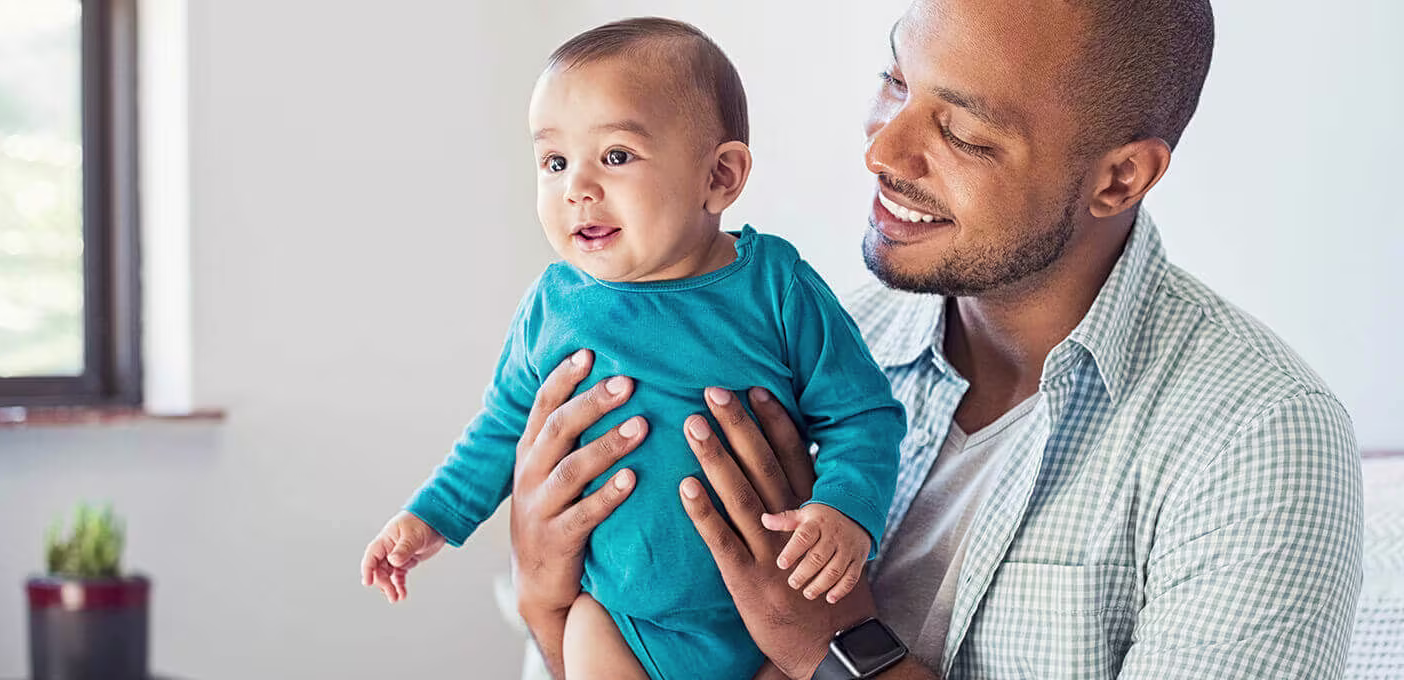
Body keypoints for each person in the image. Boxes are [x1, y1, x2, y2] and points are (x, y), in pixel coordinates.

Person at [508, 1, 1364, 678]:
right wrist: (550, 601)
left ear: (1120, 177)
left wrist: (836, 649)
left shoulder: (1259, 440)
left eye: (964, 133)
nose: (884, 150)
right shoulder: (808, 347)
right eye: (893, 79)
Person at [358, 17, 909, 680]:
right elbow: (504, 427)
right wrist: (430, 517)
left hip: (773, 627)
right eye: (555, 162)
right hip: (620, 623)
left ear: (720, 177)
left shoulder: (776, 287)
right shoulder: (554, 304)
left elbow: (862, 417)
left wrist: (845, 510)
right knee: (584, 629)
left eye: (615, 156)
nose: (576, 188)